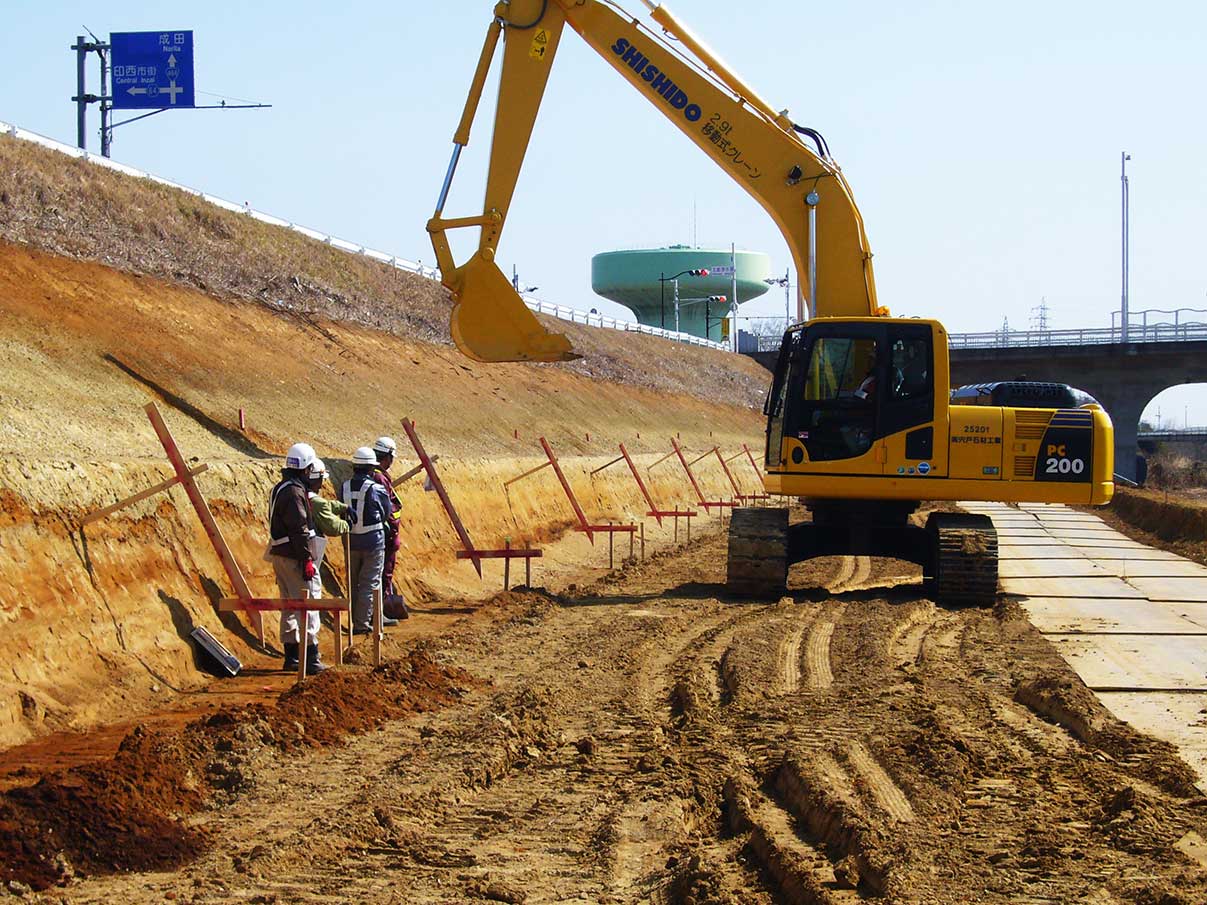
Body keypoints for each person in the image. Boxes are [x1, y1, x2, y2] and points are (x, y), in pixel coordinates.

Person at [267, 442, 327, 673]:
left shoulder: (281, 488)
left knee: (289, 606)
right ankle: (311, 657)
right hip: (294, 556)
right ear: (305, 468)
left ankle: (291, 655)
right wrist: (307, 559)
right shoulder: (294, 492)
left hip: (280, 554)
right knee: (308, 602)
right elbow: (300, 529)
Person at [341, 446, 397, 635]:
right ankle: (362, 623)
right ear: (371, 468)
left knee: (353, 582)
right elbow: (386, 512)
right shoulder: (376, 488)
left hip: (350, 540)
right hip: (373, 541)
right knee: (369, 582)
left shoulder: (344, 487)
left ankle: (356, 620)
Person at [371, 436, 409, 619]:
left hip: (379, 534)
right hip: (385, 535)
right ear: (387, 457)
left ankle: (379, 609)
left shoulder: (375, 475)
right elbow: (389, 510)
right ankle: (381, 611)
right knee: (383, 573)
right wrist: (393, 532)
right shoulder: (379, 477)